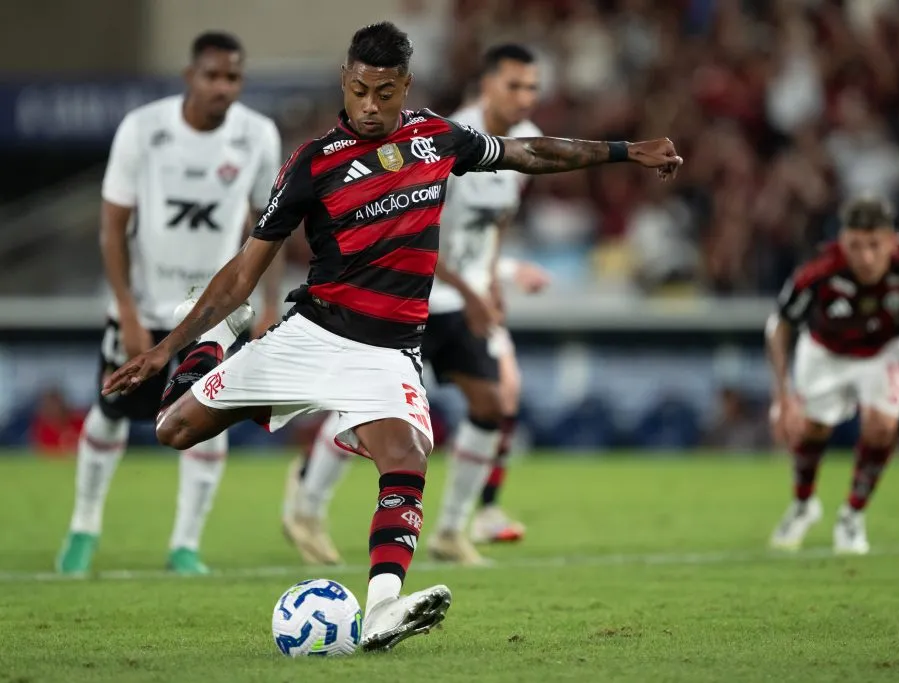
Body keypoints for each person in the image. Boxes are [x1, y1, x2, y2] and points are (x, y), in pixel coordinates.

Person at [103, 22, 681, 652]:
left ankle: (380, 610)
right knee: (173, 431)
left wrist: (625, 150)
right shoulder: (313, 163)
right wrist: (169, 349)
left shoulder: (437, 139)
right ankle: (218, 343)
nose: (371, 106)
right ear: (344, 83)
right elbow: (245, 271)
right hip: (311, 334)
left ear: (405, 85)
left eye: (384, 92)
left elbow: (531, 153)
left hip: (386, 353)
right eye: (359, 91)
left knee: (405, 457)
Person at [278, 43, 551, 568]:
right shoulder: (445, 141)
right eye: (513, 86)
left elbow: (493, 225)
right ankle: (307, 505)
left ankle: (451, 530)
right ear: (486, 85)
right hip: (411, 292)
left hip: (460, 298)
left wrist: (492, 279)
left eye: (532, 88)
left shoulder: (521, 148)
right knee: (368, 413)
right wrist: (472, 291)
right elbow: (412, 228)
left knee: (490, 405)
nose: (523, 98)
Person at [56, 31, 283, 576]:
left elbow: (269, 227)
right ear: (190, 76)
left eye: (232, 78)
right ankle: (83, 529)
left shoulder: (258, 134)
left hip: (214, 312)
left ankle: (185, 544)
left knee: (206, 414)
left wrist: (270, 300)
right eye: (212, 76)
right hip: (145, 303)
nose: (222, 87)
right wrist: (127, 310)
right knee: (110, 411)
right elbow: (114, 228)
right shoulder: (144, 130)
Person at [766, 196, 899, 555]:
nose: (866, 257)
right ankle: (804, 504)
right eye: (855, 245)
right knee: (810, 430)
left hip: (883, 349)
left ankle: (852, 515)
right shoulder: (818, 269)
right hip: (825, 351)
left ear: (891, 240)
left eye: (874, 245)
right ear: (842, 241)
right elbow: (779, 325)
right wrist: (782, 395)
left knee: (882, 427)